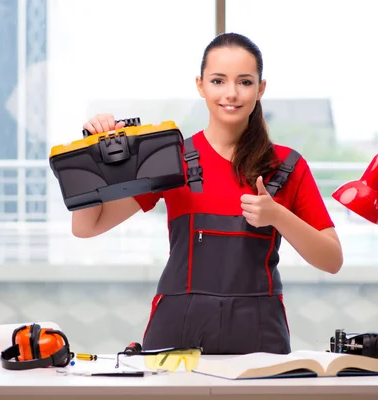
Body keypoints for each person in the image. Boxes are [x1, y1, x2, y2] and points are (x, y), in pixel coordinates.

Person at [73, 32, 343, 355]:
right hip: (175, 342)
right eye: (218, 81)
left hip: (259, 341)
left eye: (244, 82)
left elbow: (332, 259)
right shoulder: (168, 160)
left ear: (261, 88)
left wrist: (277, 216)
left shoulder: (286, 165)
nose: (231, 93)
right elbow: (87, 226)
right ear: (200, 85)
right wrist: (89, 151)